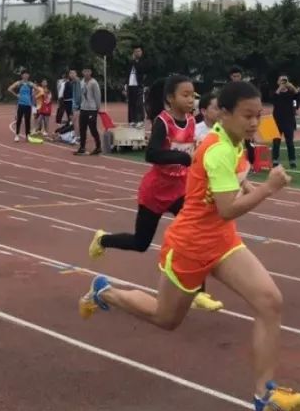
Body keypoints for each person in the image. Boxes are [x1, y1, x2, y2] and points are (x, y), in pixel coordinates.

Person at [78, 81, 300, 411]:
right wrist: (269, 189)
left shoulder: (235, 142)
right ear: (225, 114)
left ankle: (265, 394)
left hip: (222, 241)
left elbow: (231, 194)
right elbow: (228, 208)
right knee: (165, 318)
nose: (255, 122)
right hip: (190, 246)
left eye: (259, 115)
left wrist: (254, 185)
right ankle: (105, 292)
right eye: (247, 115)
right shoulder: (216, 150)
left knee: (270, 302)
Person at [88, 75, 223, 312]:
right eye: (185, 95)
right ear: (170, 98)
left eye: (193, 95)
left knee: (195, 232)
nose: (191, 99)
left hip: (180, 189)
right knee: (141, 243)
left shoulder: (192, 121)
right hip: (155, 191)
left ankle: (199, 292)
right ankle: (102, 239)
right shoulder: (164, 121)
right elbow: (151, 155)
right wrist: (182, 157)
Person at [270, 75, 299, 170]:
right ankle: (275, 160)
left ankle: (292, 161)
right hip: (277, 120)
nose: (283, 82)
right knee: (276, 142)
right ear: (278, 82)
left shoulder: (290, 92)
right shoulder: (276, 92)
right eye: (281, 80)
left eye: (285, 80)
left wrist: (290, 85)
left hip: (289, 120)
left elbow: (298, 95)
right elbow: (273, 99)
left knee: (289, 142)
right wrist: (280, 87)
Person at [8, 71, 36, 142]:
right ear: (22, 76)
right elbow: (9, 88)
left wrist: (32, 94)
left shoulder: (30, 84)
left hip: (28, 105)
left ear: (28, 76)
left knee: (27, 121)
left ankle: (27, 136)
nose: (26, 76)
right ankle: (17, 135)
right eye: (24, 75)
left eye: (27, 74)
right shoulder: (19, 83)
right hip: (20, 104)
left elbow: (39, 90)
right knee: (19, 120)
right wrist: (16, 95)